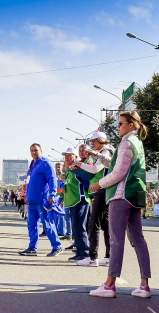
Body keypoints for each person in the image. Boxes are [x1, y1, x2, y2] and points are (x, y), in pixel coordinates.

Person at [89, 111, 152, 298]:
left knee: (116, 241)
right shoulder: (138, 143)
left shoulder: (126, 143)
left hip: (121, 195)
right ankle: (144, 285)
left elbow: (118, 173)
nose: (118, 127)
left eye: (121, 123)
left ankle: (109, 285)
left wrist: (98, 184)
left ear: (131, 125)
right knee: (138, 240)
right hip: (135, 195)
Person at [74, 132, 114, 267]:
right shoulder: (106, 150)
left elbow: (96, 168)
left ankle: (93, 257)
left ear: (100, 140)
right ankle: (108, 256)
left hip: (103, 189)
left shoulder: (106, 151)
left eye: (94, 142)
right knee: (105, 224)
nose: (92, 144)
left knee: (94, 223)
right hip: (107, 189)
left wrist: (80, 165)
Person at [19, 144, 63, 257]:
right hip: (32, 200)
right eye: (32, 150)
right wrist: (26, 195)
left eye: (36, 150)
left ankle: (57, 246)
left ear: (41, 151)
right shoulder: (32, 164)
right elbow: (29, 182)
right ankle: (32, 248)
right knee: (32, 225)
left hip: (43, 200)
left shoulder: (45, 162)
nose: (34, 152)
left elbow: (52, 178)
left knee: (47, 224)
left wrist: (52, 194)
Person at [64, 147, 91, 261]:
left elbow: (87, 181)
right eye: (65, 156)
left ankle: (85, 253)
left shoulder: (78, 167)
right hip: (72, 202)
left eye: (69, 155)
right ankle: (79, 251)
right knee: (75, 227)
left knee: (79, 227)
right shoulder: (70, 170)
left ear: (75, 157)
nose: (66, 158)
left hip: (80, 200)